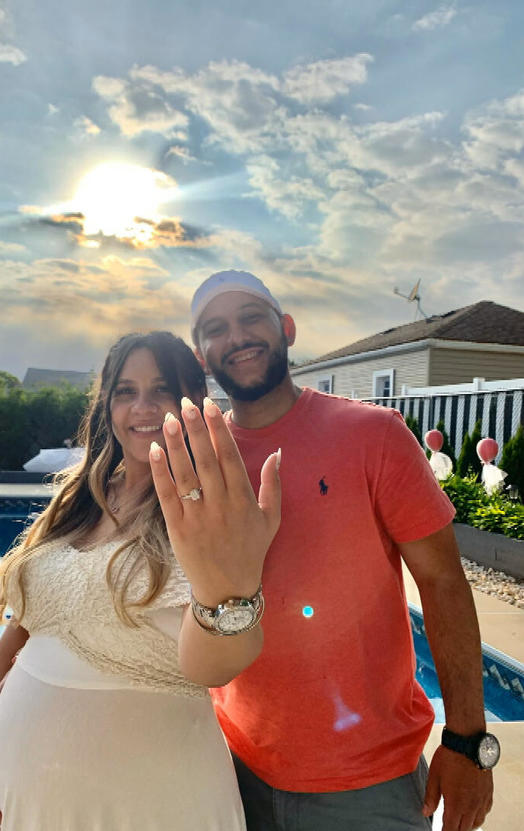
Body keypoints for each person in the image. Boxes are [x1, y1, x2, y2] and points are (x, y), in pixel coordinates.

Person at [189, 270, 497, 831]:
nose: (236, 336)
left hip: (368, 785)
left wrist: (468, 740)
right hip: (232, 771)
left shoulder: (372, 435)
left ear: (286, 328)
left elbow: (445, 584)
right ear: (201, 354)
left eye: (250, 318)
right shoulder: (199, 456)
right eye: (216, 328)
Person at [0, 330, 281, 830]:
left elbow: (215, 668)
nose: (142, 407)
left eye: (161, 389)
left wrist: (230, 592)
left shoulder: (209, 513)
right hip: (30, 801)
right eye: (125, 391)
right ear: (106, 405)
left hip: (150, 801)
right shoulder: (79, 498)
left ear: (193, 400)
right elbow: (23, 628)